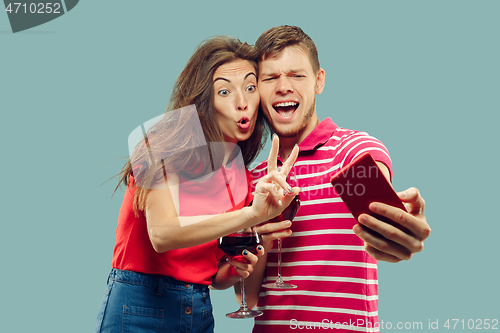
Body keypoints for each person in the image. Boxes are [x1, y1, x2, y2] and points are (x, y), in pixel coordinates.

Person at [94, 36, 300, 333]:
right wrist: (252, 216)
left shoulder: (238, 173)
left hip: (198, 310)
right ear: (204, 99)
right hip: (140, 305)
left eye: (250, 87)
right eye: (225, 91)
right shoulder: (162, 144)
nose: (242, 102)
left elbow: (214, 276)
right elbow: (162, 235)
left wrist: (236, 268)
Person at [240, 26, 431, 332]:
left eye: (296, 75)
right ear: (257, 90)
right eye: (270, 78)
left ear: (319, 81)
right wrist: (261, 236)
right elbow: (248, 300)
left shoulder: (349, 151)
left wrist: (399, 228)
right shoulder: (254, 180)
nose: (283, 86)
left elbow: (383, 211)